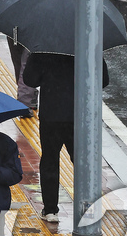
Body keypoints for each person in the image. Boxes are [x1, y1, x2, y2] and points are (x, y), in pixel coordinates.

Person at [23, 52, 108, 224]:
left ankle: (50, 210)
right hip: (78, 115)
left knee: (50, 160)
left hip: (51, 114)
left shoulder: (44, 48)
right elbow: (104, 80)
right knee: (82, 162)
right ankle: (86, 205)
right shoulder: (87, 41)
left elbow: (30, 79)